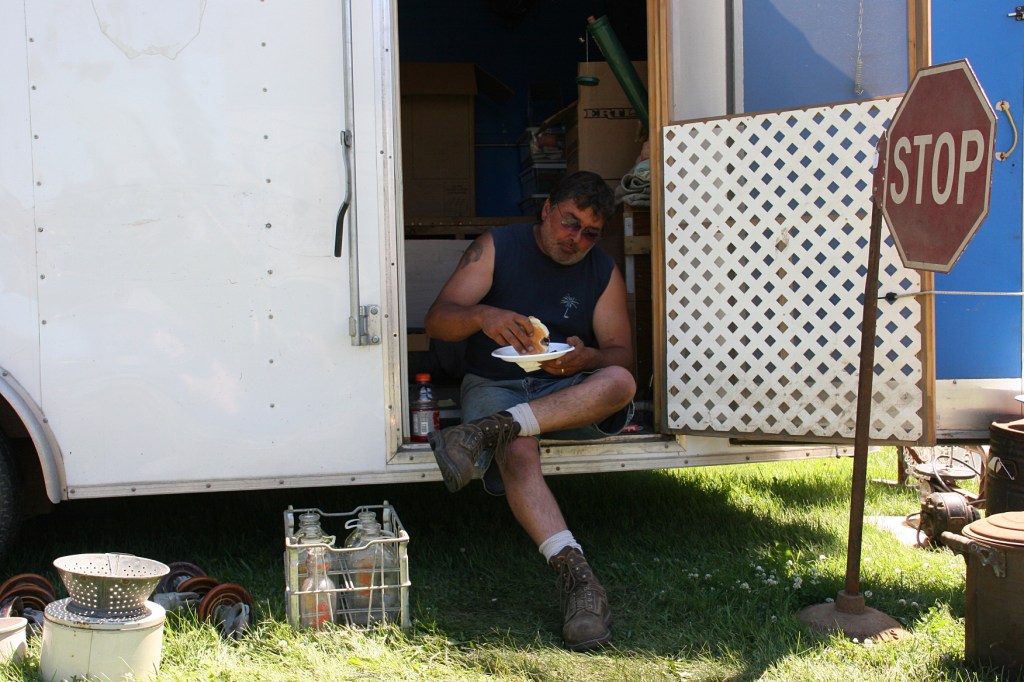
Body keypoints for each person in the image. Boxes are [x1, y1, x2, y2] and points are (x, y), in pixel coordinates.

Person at [423, 170, 636, 651]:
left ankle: (485, 434)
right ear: (546, 210)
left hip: (566, 393)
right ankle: (579, 581)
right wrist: (483, 314)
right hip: (494, 381)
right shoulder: (497, 246)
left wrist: (589, 358)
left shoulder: (601, 269)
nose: (576, 239)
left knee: (619, 381)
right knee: (519, 453)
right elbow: (437, 321)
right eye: (569, 223)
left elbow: (622, 357)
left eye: (589, 233)